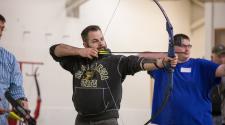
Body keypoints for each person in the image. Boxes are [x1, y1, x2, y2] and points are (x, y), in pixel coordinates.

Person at [49, 25, 177, 125]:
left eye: (102, 39)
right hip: (81, 120)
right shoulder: (77, 61)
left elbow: (137, 63)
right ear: (85, 45)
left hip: (106, 121)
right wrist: (79, 52)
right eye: (95, 41)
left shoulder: (116, 61)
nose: (101, 43)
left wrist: (161, 63)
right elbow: (54, 50)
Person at [147, 34, 225, 125]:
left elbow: (222, 70)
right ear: (173, 47)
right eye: (183, 46)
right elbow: (141, 56)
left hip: (199, 122)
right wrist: (165, 57)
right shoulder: (162, 66)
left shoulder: (200, 65)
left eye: (189, 46)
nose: (187, 49)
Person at [0, 14, 28, 125]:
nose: (0, 33)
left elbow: (16, 90)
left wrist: (23, 106)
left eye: (2, 29)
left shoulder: (9, 59)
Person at [211, 44, 225, 125]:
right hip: (208, 115)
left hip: (222, 117)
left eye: (224, 56)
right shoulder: (204, 70)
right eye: (219, 56)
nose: (222, 59)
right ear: (212, 57)